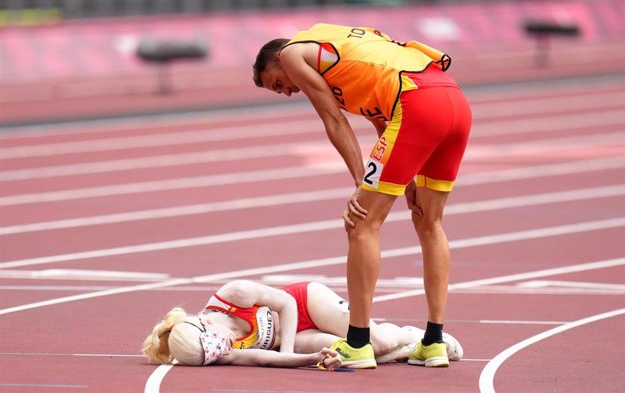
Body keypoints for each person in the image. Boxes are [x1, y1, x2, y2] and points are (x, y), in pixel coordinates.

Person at [253, 23, 472, 369]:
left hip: (416, 103)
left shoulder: (291, 53)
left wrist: (360, 180)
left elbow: (334, 120)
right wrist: (408, 183)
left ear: (277, 60)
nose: (287, 91)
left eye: (279, 84)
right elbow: (385, 121)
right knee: (430, 222)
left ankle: (357, 343)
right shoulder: (341, 52)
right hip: (453, 102)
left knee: (361, 222)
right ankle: (433, 342)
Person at [142, 280, 463, 368]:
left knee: (376, 342)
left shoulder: (232, 295)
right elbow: (262, 358)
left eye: (217, 343)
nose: (223, 349)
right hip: (296, 339)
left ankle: (409, 336)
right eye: (215, 354)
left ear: (204, 325)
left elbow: (284, 302)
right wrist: (309, 359)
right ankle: (409, 350)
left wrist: (287, 347)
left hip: (306, 302)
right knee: (347, 353)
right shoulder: (215, 350)